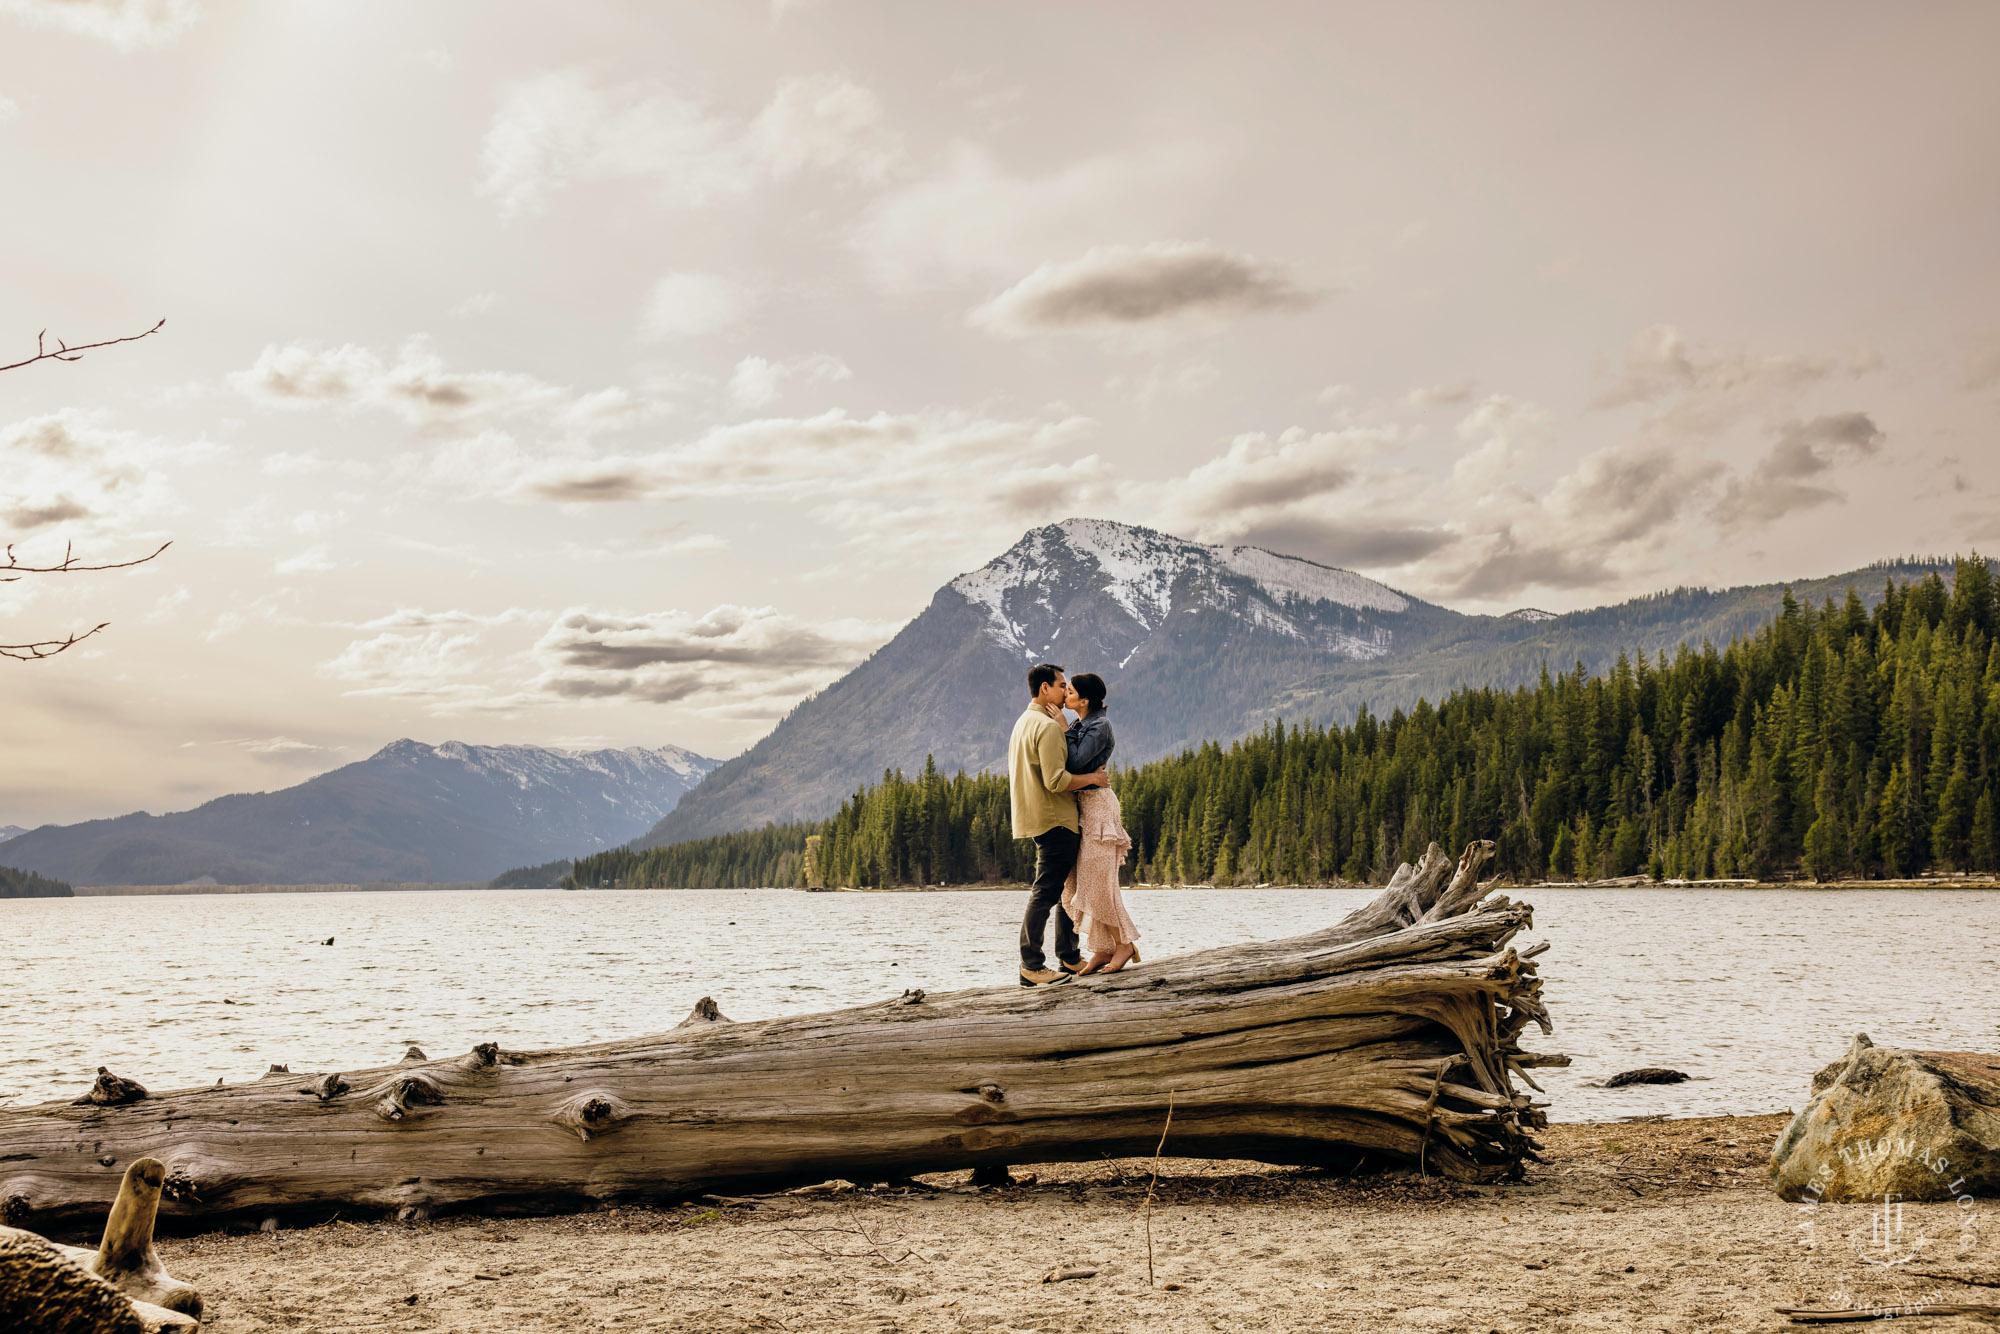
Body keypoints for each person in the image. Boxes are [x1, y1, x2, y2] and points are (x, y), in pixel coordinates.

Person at [1007, 662, 1108, 987]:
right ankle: (1032, 965)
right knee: (1047, 891)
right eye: (1062, 685)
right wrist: (1092, 778)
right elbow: (1056, 780)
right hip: (1056, 818)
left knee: (1065, 887)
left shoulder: (1024, 722)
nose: (1066, 691)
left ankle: (1067, 954)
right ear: (1044, 689)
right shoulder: (1048, 727)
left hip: (1038, 817)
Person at [1059, 672, 1139, 974]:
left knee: (1098, 886)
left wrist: (1063, 729)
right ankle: (1104, 949)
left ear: (1084, 699)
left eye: (1071, 691)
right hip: (1083, 809)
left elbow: (1076, 762)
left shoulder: (1100, 726)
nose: (1066, 694)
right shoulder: (1083, 724)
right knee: (1081, 883)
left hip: (1099, 810)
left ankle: (1124, 944)